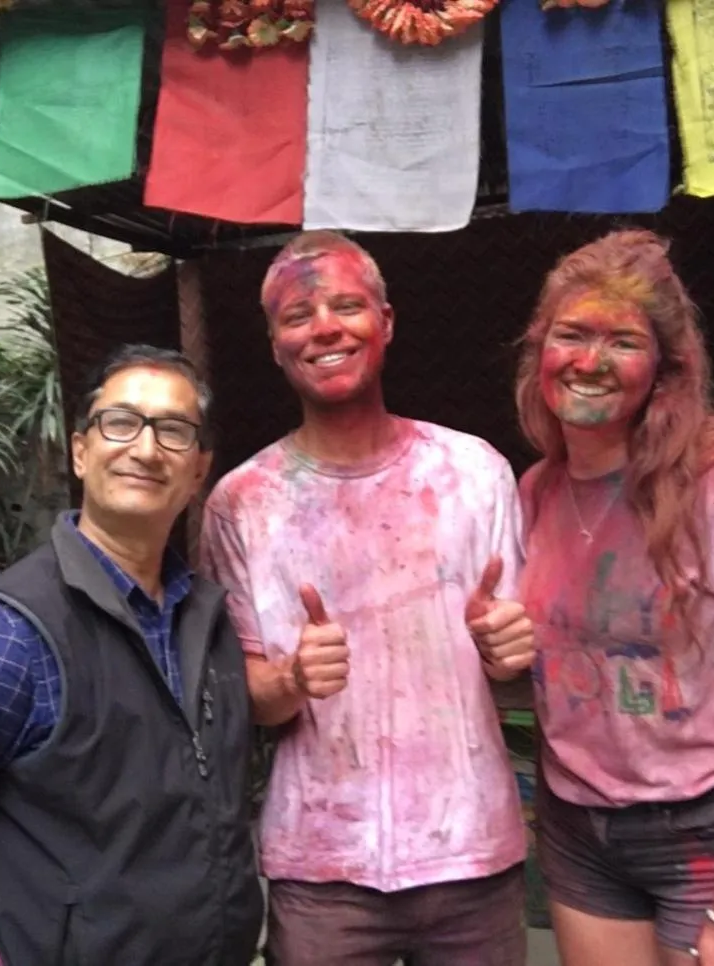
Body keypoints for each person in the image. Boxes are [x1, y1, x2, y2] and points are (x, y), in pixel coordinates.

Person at [199, 231, 536, 966]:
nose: (325, 327)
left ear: (386, 320)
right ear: (274, 343)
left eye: (347, 305)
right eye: (298, 314)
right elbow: (245, 696)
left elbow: (519, 677)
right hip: (322, 867)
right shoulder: (243, 502)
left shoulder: (473, 472)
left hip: (468, 851)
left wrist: (509, 652)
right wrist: (290, 679)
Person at [0, 344, 264, 966]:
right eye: (121, 423)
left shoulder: (206, 616)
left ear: (199, 470)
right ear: (81, 452)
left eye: (173, 430)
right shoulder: (11, 631)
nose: (145, 448)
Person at [514, 229, 714, 966]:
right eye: (571, 335)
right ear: (540, 352)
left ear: (665, 368)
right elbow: (554, 666)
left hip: (713, 823)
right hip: (582, 827)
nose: (591, 362)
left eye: (622, 340)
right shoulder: (535, 493)